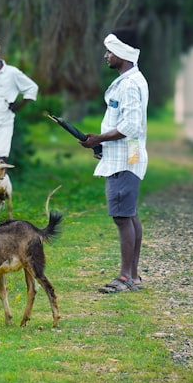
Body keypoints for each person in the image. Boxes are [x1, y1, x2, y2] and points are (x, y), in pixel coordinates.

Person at [80, 28, 148, 293]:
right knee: (129, 215)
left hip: (125, 158)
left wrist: (99, 139)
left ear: (122, 53)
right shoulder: (131, 79)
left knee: (123, 216)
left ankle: (125, 277)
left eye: (110, 51)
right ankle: (133, 276)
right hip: (125, 154)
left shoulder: (130, 84)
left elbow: (130, 125)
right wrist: (101, 145)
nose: (106, 55)